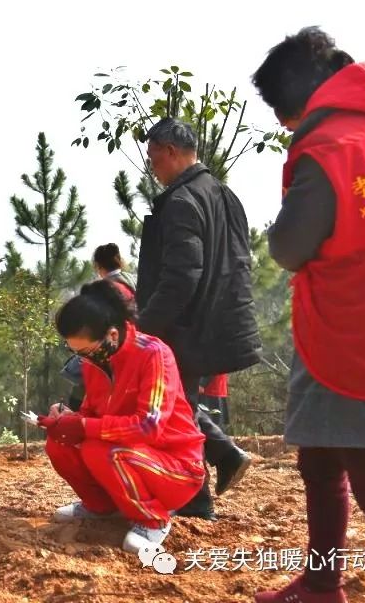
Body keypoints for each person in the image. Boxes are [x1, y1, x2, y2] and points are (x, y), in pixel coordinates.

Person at [251, 26, 365, 603]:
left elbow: (290, 248)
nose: (282, 122)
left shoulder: (327, 149)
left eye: (278, 110)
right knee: (319, 458)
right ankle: (321, 583)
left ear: (296, 98)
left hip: (345, 329)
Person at [135, 117, 257, 520]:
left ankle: (195, 500)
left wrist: (146, 326)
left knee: (173, 413)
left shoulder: (183, 202)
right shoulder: (224, 194)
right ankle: (223, 454)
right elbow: (241, 261)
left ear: (171, 151)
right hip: (218, 320)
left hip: (186, 326)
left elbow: (180, 276)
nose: (153, 167)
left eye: (154, 157)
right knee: (180, 405)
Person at [43, 281, 204, 554]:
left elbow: (148, 426)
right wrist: (68, 419)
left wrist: (83, 425)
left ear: (112, 335)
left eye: (85, 352)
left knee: (100, 449)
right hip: (127, 456)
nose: (81, 359)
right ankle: (101, 507)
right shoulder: (95, 363)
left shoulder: (154, 354)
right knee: (59, 442)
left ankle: (152, 520)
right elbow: (92, 412)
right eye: (75, 353)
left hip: (175, 468)